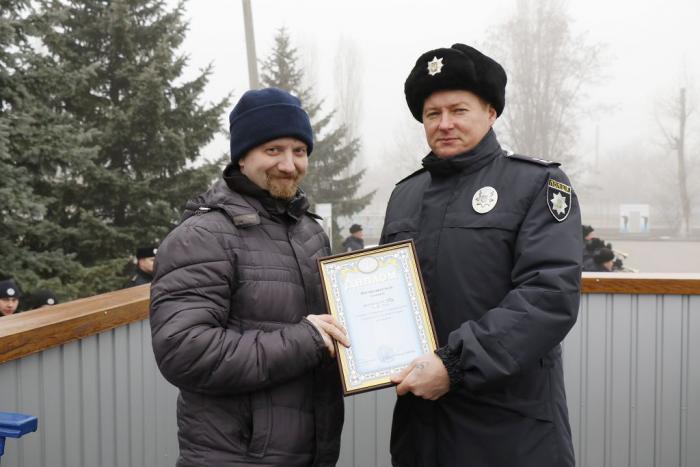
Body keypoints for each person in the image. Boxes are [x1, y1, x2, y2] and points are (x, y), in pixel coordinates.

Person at [380, 44, 582, 467]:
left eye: (459, 110)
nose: (445, 124)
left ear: (490, 113)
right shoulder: (405, 195)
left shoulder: (537, 184)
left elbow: (548, 295)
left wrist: (454, 365)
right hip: (422, 431)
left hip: (508, 431)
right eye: (432, 114)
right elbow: (386, 298)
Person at [150, 87, 350, 467]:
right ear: (242, 157)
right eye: (273, 150)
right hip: (236, 455)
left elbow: (327, 327)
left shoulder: (310, 232)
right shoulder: (203, 236)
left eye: (299, 151)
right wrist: (305, 339)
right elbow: (184, 351)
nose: (289, 165)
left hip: (313, 451)